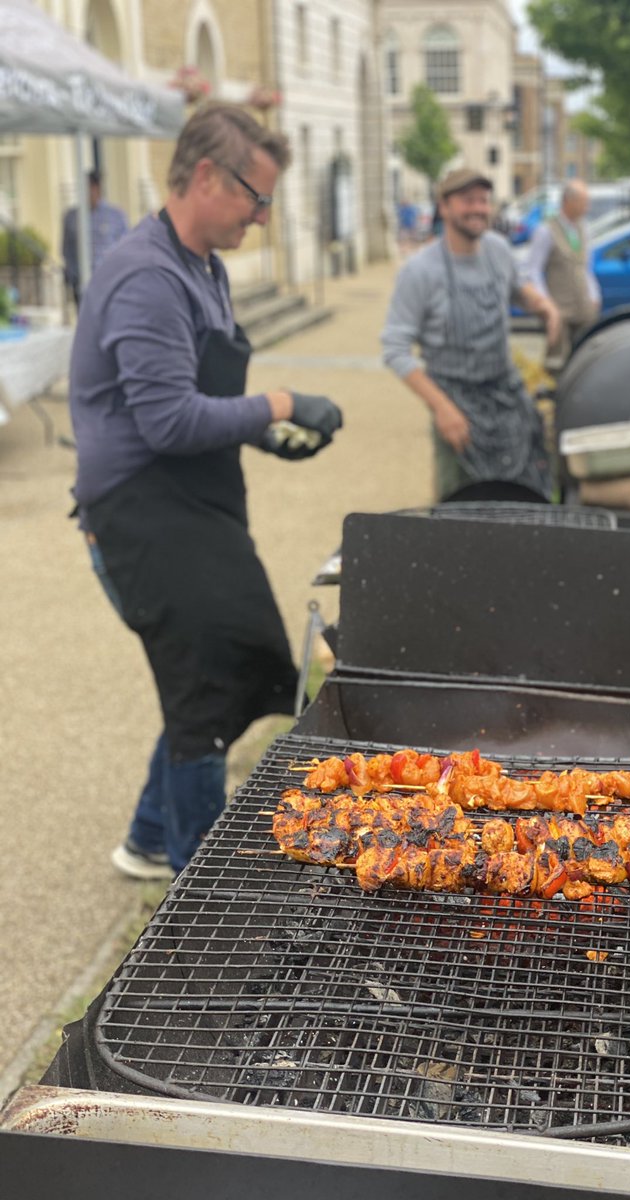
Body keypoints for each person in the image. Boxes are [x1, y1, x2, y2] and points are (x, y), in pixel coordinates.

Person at [67, 102, 343, 880]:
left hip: (189, 503)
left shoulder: (204, 267)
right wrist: (281, 404)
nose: (263, 216)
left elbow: (198, 397)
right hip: (139, 514)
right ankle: (198, 881)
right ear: (204, 178)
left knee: (212, 666)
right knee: (202, 682)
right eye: (256, 197)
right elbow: (165, 422)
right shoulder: (147, 277)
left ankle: (149, 838)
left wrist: (264, 434)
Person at [381, 166, 561, 501]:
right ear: (444, 207)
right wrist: (442, 408)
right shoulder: (420, 272)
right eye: (467, 201)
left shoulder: (499, 250)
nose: (478, 208)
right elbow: (394, 349)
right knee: (458, 509)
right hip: (456, 405)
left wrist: (543, 305)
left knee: (526, 495)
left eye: (483, 200)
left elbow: (517, 285)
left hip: (506, 394)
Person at [524, 179, 601, 367]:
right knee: (556, 361)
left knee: (584, 358)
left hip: (584, 308)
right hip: (559, 309)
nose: (587, 208)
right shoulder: (546, 230)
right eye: (584, 202)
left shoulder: (583, 229)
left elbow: (585, 267)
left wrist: (594, 294)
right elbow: (532, 270)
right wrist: (546, 302)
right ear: (568, 202)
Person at [61, 169, 129, 307]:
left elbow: (126, 248)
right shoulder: (72, 217)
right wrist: (73, 274)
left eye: (91, 188)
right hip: (81, 283)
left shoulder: (115, 216)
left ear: (97, 189)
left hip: (109, 282)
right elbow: (66, 248)